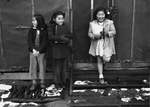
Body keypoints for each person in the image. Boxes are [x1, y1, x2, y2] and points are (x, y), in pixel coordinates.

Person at [88, 7, 116, 84]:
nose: (101, 16)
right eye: (99, 14)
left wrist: (108, 33)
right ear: (96, 15)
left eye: (102, 14)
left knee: (106, 59)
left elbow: (114, 32)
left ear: (105, 15)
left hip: (107, 43)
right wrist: (94, 36)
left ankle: (104, 62)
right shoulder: (92, 23)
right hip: (97, 43)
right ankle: (101, 76)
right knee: (99, 59)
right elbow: (89, 33)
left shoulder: (109, 22)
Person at [48, 11, 72, 88]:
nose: (61, 20)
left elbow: (71, 35)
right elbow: (50, 37)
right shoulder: (51, 26)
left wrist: (66, 37)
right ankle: (57, 82)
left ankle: (64, 81)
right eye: (59, 19)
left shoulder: (65, 26)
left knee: (64, 67)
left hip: (64, 49)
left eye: (62, 18)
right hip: (56, 50)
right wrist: (60, 38)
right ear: (54, 19)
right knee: (57, 68)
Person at [28, 14, 48, 90]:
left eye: (34, 20)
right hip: (33, 51)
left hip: (41, 52)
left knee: (42, 66)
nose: (33, 22)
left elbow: (44, 41)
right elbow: (29, 41)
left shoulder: (44, 30)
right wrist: (33, 49)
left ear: (39, 21)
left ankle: (42, 81)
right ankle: (34, 82)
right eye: (32, 20)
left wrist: (39, 51)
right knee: (33, 66)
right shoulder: (31, 30)